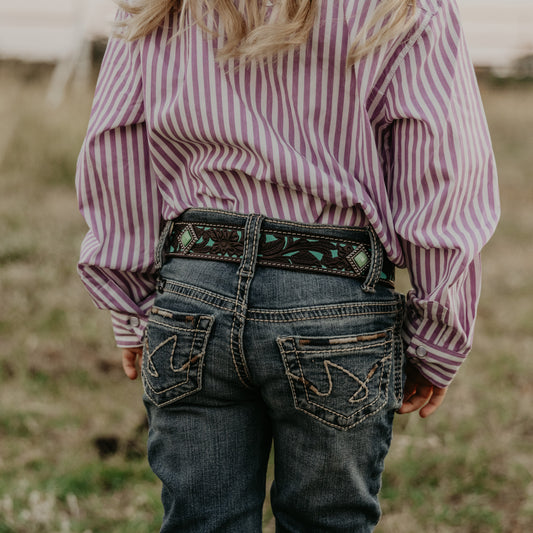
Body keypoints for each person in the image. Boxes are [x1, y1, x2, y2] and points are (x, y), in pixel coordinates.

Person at [76, 0, 499, 531]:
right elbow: (441, 167)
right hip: (335, 295)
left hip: (193, 287)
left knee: (200, 521)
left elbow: (116, 142)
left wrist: (130, 305)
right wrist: (439, 331)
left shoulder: (157, 5)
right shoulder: (406, 7)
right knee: (328, 522)